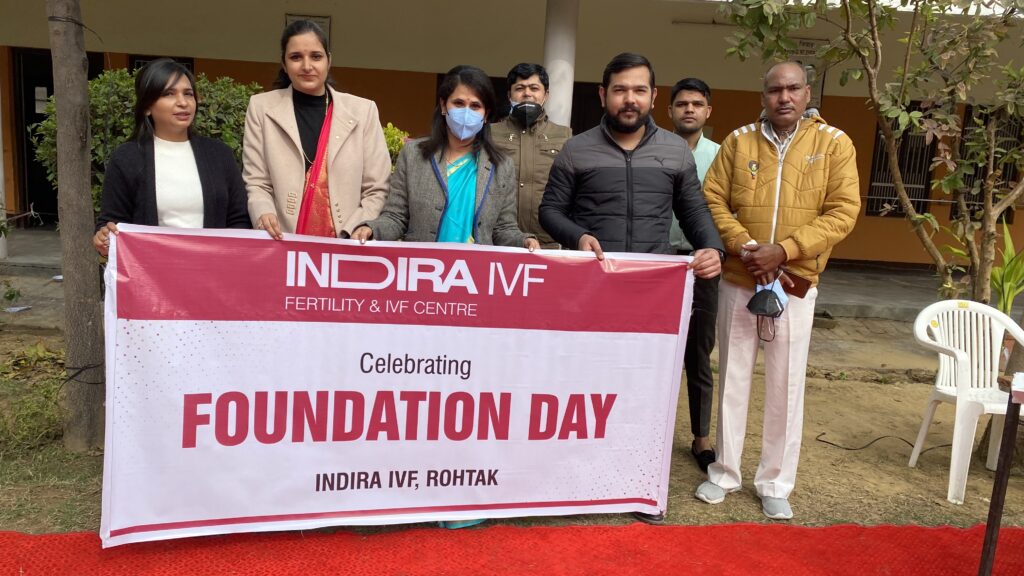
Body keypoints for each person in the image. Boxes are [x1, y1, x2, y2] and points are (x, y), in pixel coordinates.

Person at [539, 53, 724, 524]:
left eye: (639, 90)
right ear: (604, 95)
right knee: (587, 387)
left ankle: (639, 486)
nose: (630, 99)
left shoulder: (675, 152)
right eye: (620, 90)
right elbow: (550, 211)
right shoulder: (577, 150)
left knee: (645, 392)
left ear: (653, 97)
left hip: (652, 293)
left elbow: (695, 211)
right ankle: (574, 480)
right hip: (592, 290)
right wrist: (578, 236)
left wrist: (712, 248)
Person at [696, 62, 860, 520]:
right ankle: (724, 473)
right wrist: (747, 248)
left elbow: (843, 212)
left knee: (786, 385)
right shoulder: (738, 141)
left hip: (794, 282)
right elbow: (713, 199)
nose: (783, 97)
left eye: (792, 89)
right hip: (740, 277)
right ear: (763, 95)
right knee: (733, 378)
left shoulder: (835, 143)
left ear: (807, 93)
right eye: (774, 90)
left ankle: (775, 481)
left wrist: (784, 251)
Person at [352, 65, 539, 252]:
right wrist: (372, 229)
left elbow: (503, 229)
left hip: (476, 267)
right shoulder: (414, 155)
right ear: (443, 105)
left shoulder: (501, 165)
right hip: (424, 264)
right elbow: (396, 217)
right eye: (458, 103)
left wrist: (524, 241)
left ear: (486, 114)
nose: (466, 112)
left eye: (475, 106)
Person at [243, 19, 390, 239]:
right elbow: (256, 181)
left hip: (345, 241)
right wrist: (263, 213)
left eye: (316, 56)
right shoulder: (261, 108)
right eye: (296, 57)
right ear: (284, 63)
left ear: (329, 60)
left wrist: (355, 229)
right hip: (281, 239)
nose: (306, 66)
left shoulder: (363, 111)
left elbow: (377, 188)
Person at [93, 58, 250, 256]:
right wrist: (104, 238)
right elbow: (112, 223)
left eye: (188, 93)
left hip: (212, 269)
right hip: (151, 271)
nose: (183, 102)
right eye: (169, 94)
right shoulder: (127, 158)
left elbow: (239, 220)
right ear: (147, 106)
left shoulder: (219, 154)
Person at [667, 78, 722, 473]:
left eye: (697, 103)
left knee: (698, 352)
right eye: (682, 103)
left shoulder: (721, 156)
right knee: (654, 351)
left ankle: (701, 436)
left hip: (703, 263)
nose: (689, 109)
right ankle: (649, 428)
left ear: (708, 111)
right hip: (658, 263)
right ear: (669, 109)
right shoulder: (654, 149)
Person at [491, 63, 572, 249]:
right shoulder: (490, 134)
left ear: (546, 95)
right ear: (509, 95)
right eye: (519, 88)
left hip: (548, 243)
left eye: (534, 88)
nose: (527, 94)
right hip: (498, 241)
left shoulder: (564, 136)